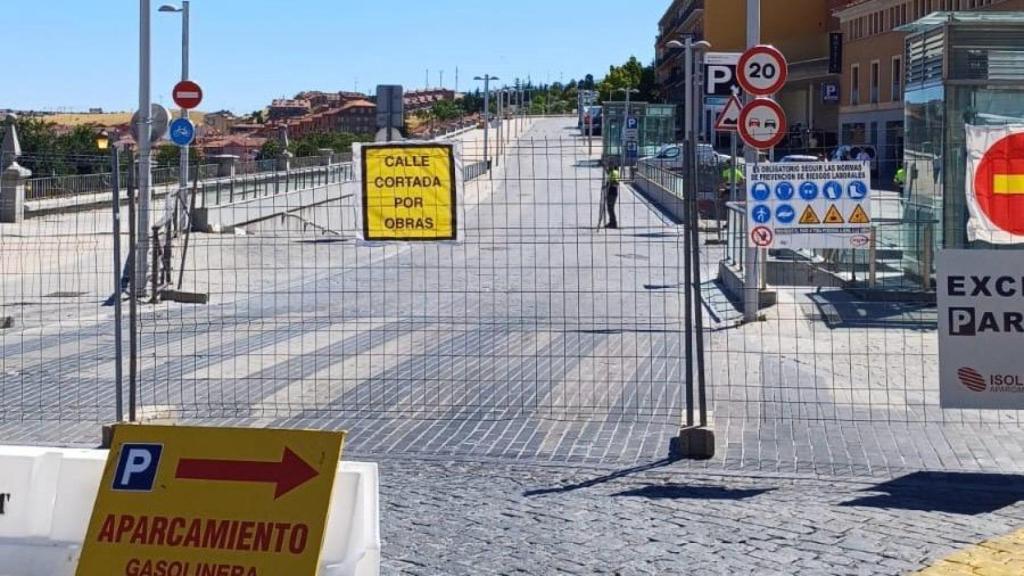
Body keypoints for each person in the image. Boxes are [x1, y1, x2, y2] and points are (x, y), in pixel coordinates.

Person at [605, 164, 621, 229]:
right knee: (610, 208)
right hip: (611, 192)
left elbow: (615, 183)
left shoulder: (614, 173)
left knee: (610, 208)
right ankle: (611, 222)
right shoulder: (614, 172)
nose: (608, 167)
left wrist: (609, 184)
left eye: (609, 166)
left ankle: (613, 223)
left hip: (612, 193)